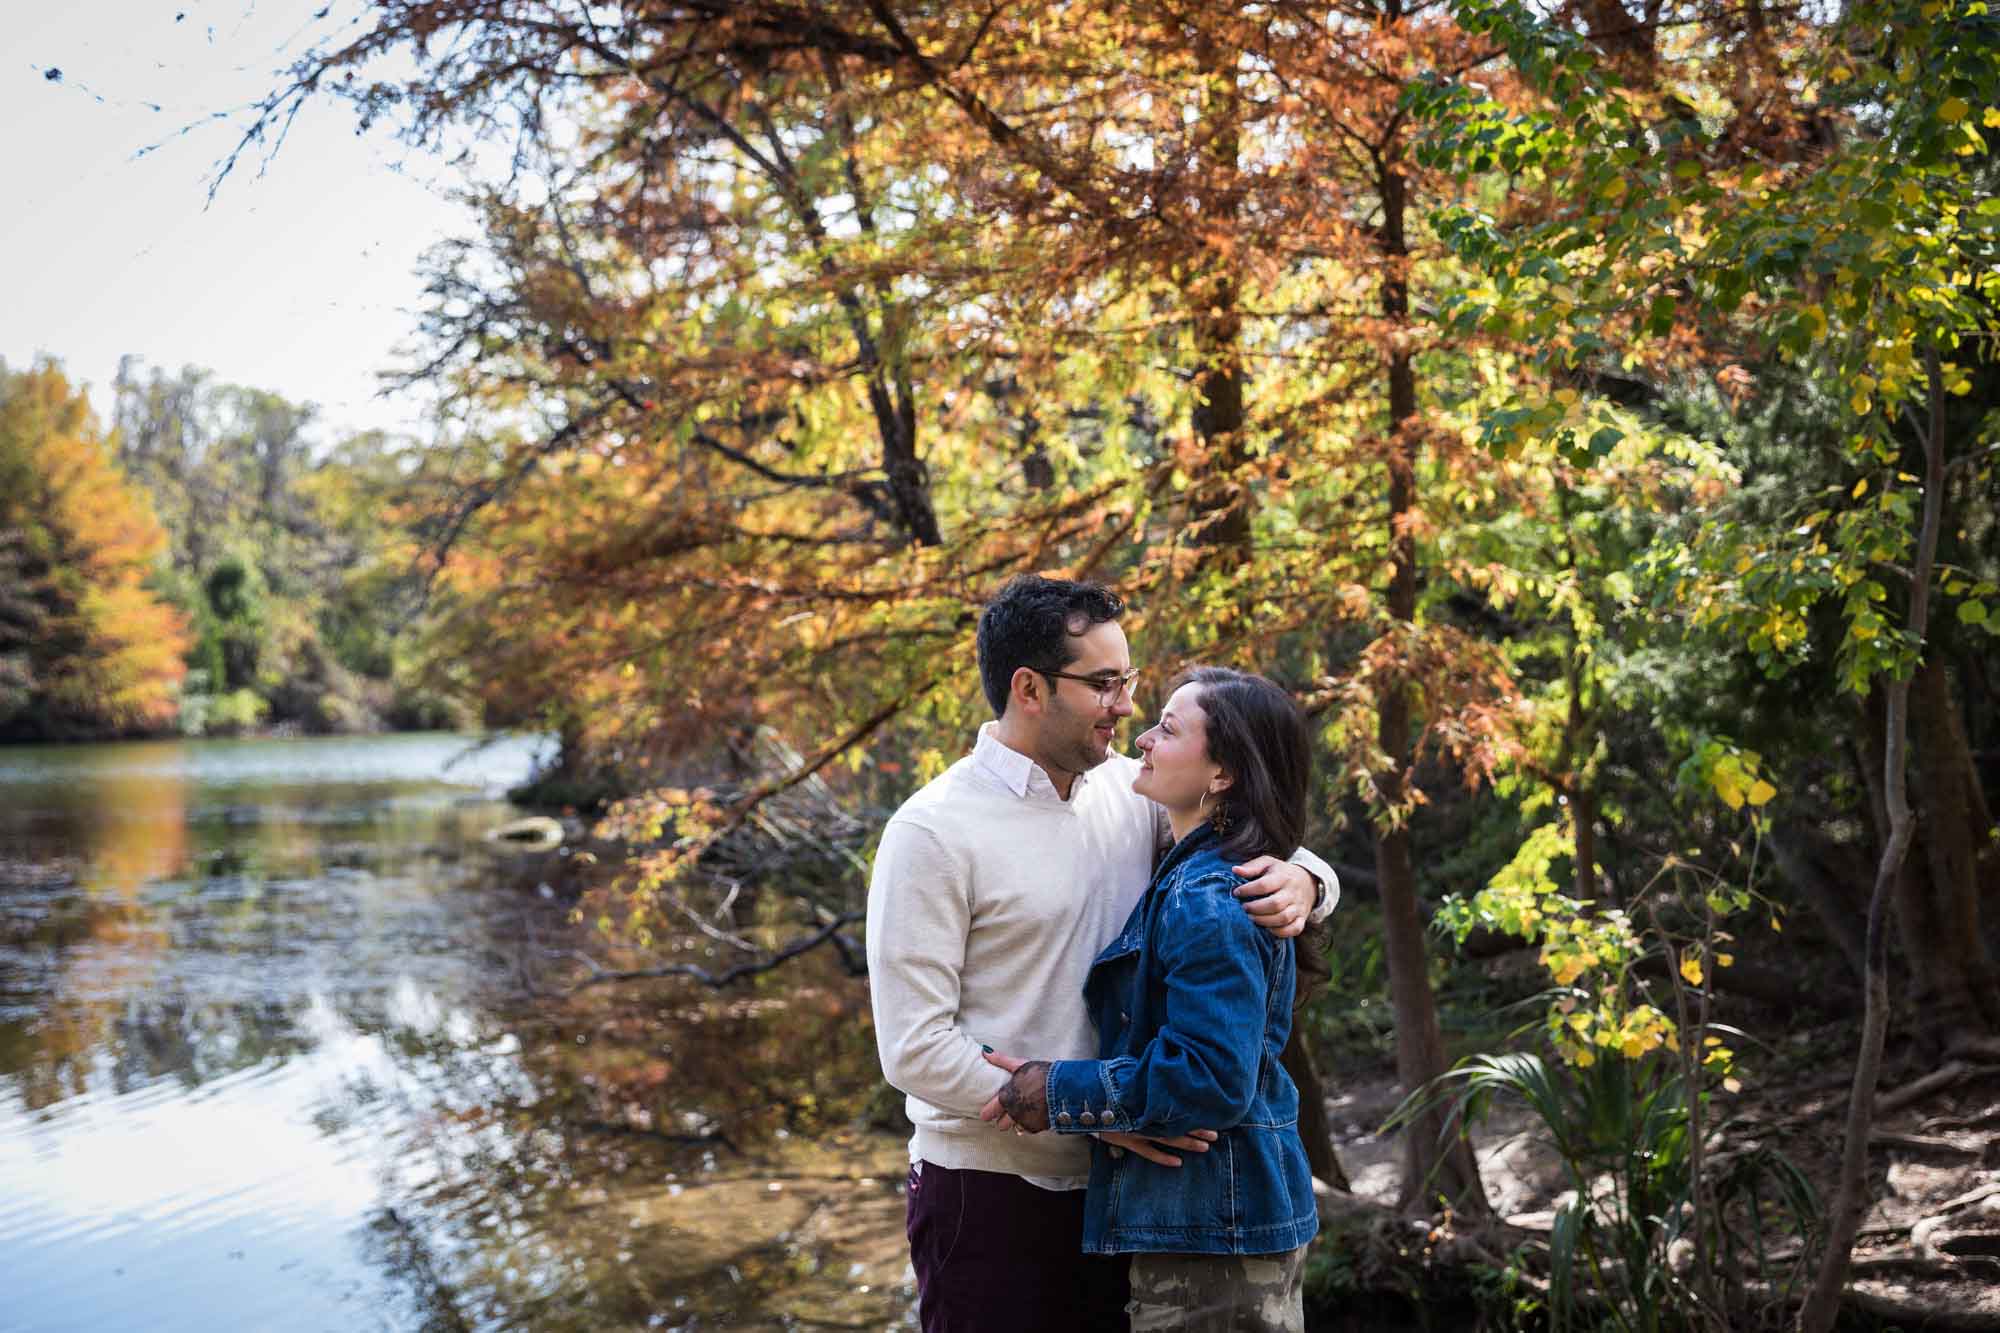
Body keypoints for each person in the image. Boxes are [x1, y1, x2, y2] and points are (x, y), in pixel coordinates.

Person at [866, 576, 1337, 1333]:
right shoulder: (932, 831)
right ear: (1029, 688)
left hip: (1132, 1194)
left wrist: (1312, 881)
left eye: (1130, 681)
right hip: (991, 1192)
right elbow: (913, 1047)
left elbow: (1244, 833)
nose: (1125, 706)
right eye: (1105, 684)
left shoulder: (1133, 792)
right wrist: (1086, 1115)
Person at [981, 667, 1321, 1333]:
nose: (1141, 736)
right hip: (1218, 1226)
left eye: (1168, 728)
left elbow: (1209, 1077)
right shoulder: (1202, 871)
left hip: (1214, 1237)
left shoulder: (1207, 895)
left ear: (1221, 774)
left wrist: (1054, 1091)